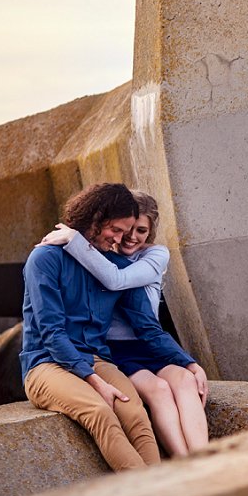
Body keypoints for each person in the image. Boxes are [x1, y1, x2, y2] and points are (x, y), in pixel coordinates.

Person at [20, 183, 194, 471]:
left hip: (97, 358)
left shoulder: (114, 265)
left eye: (125, 232)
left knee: (136, 414)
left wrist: (188, 363)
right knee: (100, 411)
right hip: (46, 364)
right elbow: (51, 332)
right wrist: (94, 380)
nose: (119, 239)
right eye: (115, 230)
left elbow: (147, 326)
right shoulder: (45, 258)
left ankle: (166, 491)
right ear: (96, 219)